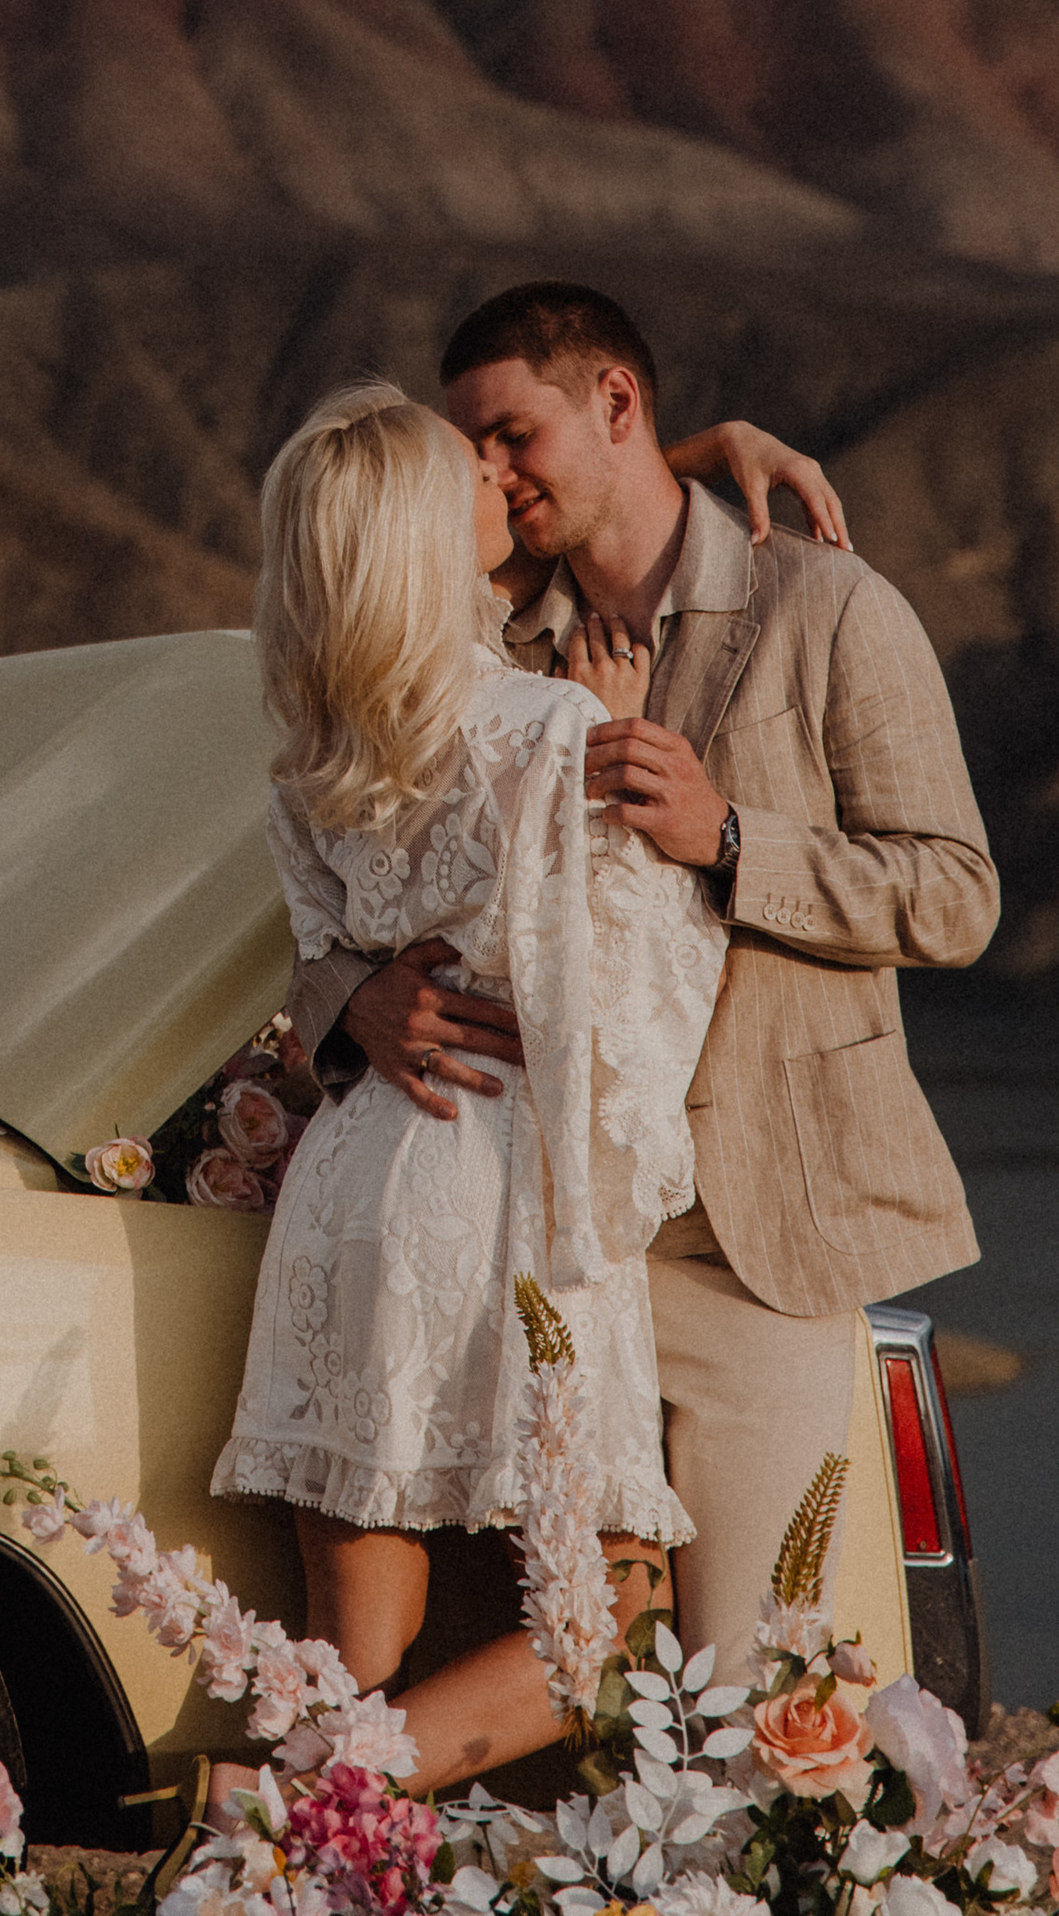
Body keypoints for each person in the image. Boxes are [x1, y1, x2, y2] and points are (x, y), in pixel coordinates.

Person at [289, 285, 999, 1669]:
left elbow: (956, 893)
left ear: (617, 403)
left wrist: (729, 836)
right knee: (584, 1681)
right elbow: (334, 854)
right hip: (548, 1245)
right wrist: (349, 1007)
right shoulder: (487, 637)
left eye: (511, 435)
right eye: (471, 451)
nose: (487, 475)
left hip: (758, 1236)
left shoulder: (829, 607)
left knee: (743, 1680)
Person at [212, 380, 726, 1791]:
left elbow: (324, 966)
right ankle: (286, 1811)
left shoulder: (308, 764)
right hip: (499, 1187)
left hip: (350, 1186)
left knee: (354, 1641)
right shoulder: (550, 732)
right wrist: (627, 795)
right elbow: (626, 997)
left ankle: (296, 1827)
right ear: (434, 539)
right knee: (604, 1630)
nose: (501, 487)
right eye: (472, 480)